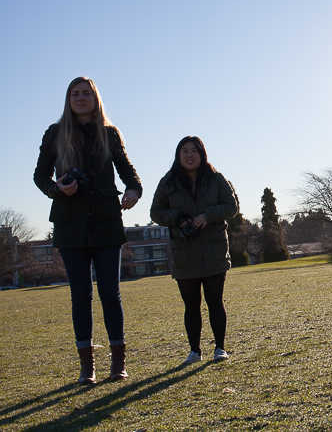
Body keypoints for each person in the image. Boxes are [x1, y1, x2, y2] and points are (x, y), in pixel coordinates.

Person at [34, 77, 142, 384]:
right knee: (80, 296)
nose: (81, 98)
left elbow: (128, 172)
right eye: (75, 94)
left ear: (95, 99)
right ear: (68, 100)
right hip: (70, 226)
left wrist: (134, 190)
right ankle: (87, 366)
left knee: (111, 293)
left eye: (86, 94)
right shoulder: (55, 133)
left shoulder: (108, 133)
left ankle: (118, 363)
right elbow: (40, 175)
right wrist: (56, 188)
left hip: (107, 223)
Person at [150, 136, 238, 363]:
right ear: (178, 155)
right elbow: (156, 212)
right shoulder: (168, 182)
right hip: (184, 252)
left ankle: (220, 348)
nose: (189, 155)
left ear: (202, 154)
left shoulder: (216, 179)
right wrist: (176, 217)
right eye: (184, 151)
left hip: (213, 250)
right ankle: (194, 351)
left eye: (194, 151)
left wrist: (207, 216)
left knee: (215, 301)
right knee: (191, 305)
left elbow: (231, 206)